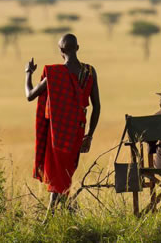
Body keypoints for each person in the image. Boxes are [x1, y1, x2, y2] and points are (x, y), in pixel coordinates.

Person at [25, 33, 101, 213]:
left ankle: (49, 218)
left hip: (58, 133)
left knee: (60, 176)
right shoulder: (89, 72)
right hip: (77, 132)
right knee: (64, 174)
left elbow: (29, 95)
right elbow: (97, 106)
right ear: (77, 48)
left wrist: (28, 73)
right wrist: (89, 135)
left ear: (61, 51)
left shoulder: (54, 74)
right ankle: (69, 212)